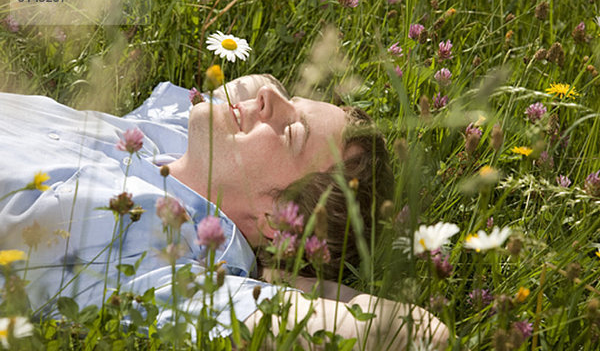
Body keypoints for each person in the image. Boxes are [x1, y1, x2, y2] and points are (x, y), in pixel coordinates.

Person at [0, 74, 448, 348]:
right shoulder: (167, 138)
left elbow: (418, 334)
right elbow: (256, 82)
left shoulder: (155, 248)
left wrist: (272, 278)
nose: (270, 97)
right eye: (292, 99)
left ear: (276, 221)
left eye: (290, 130)